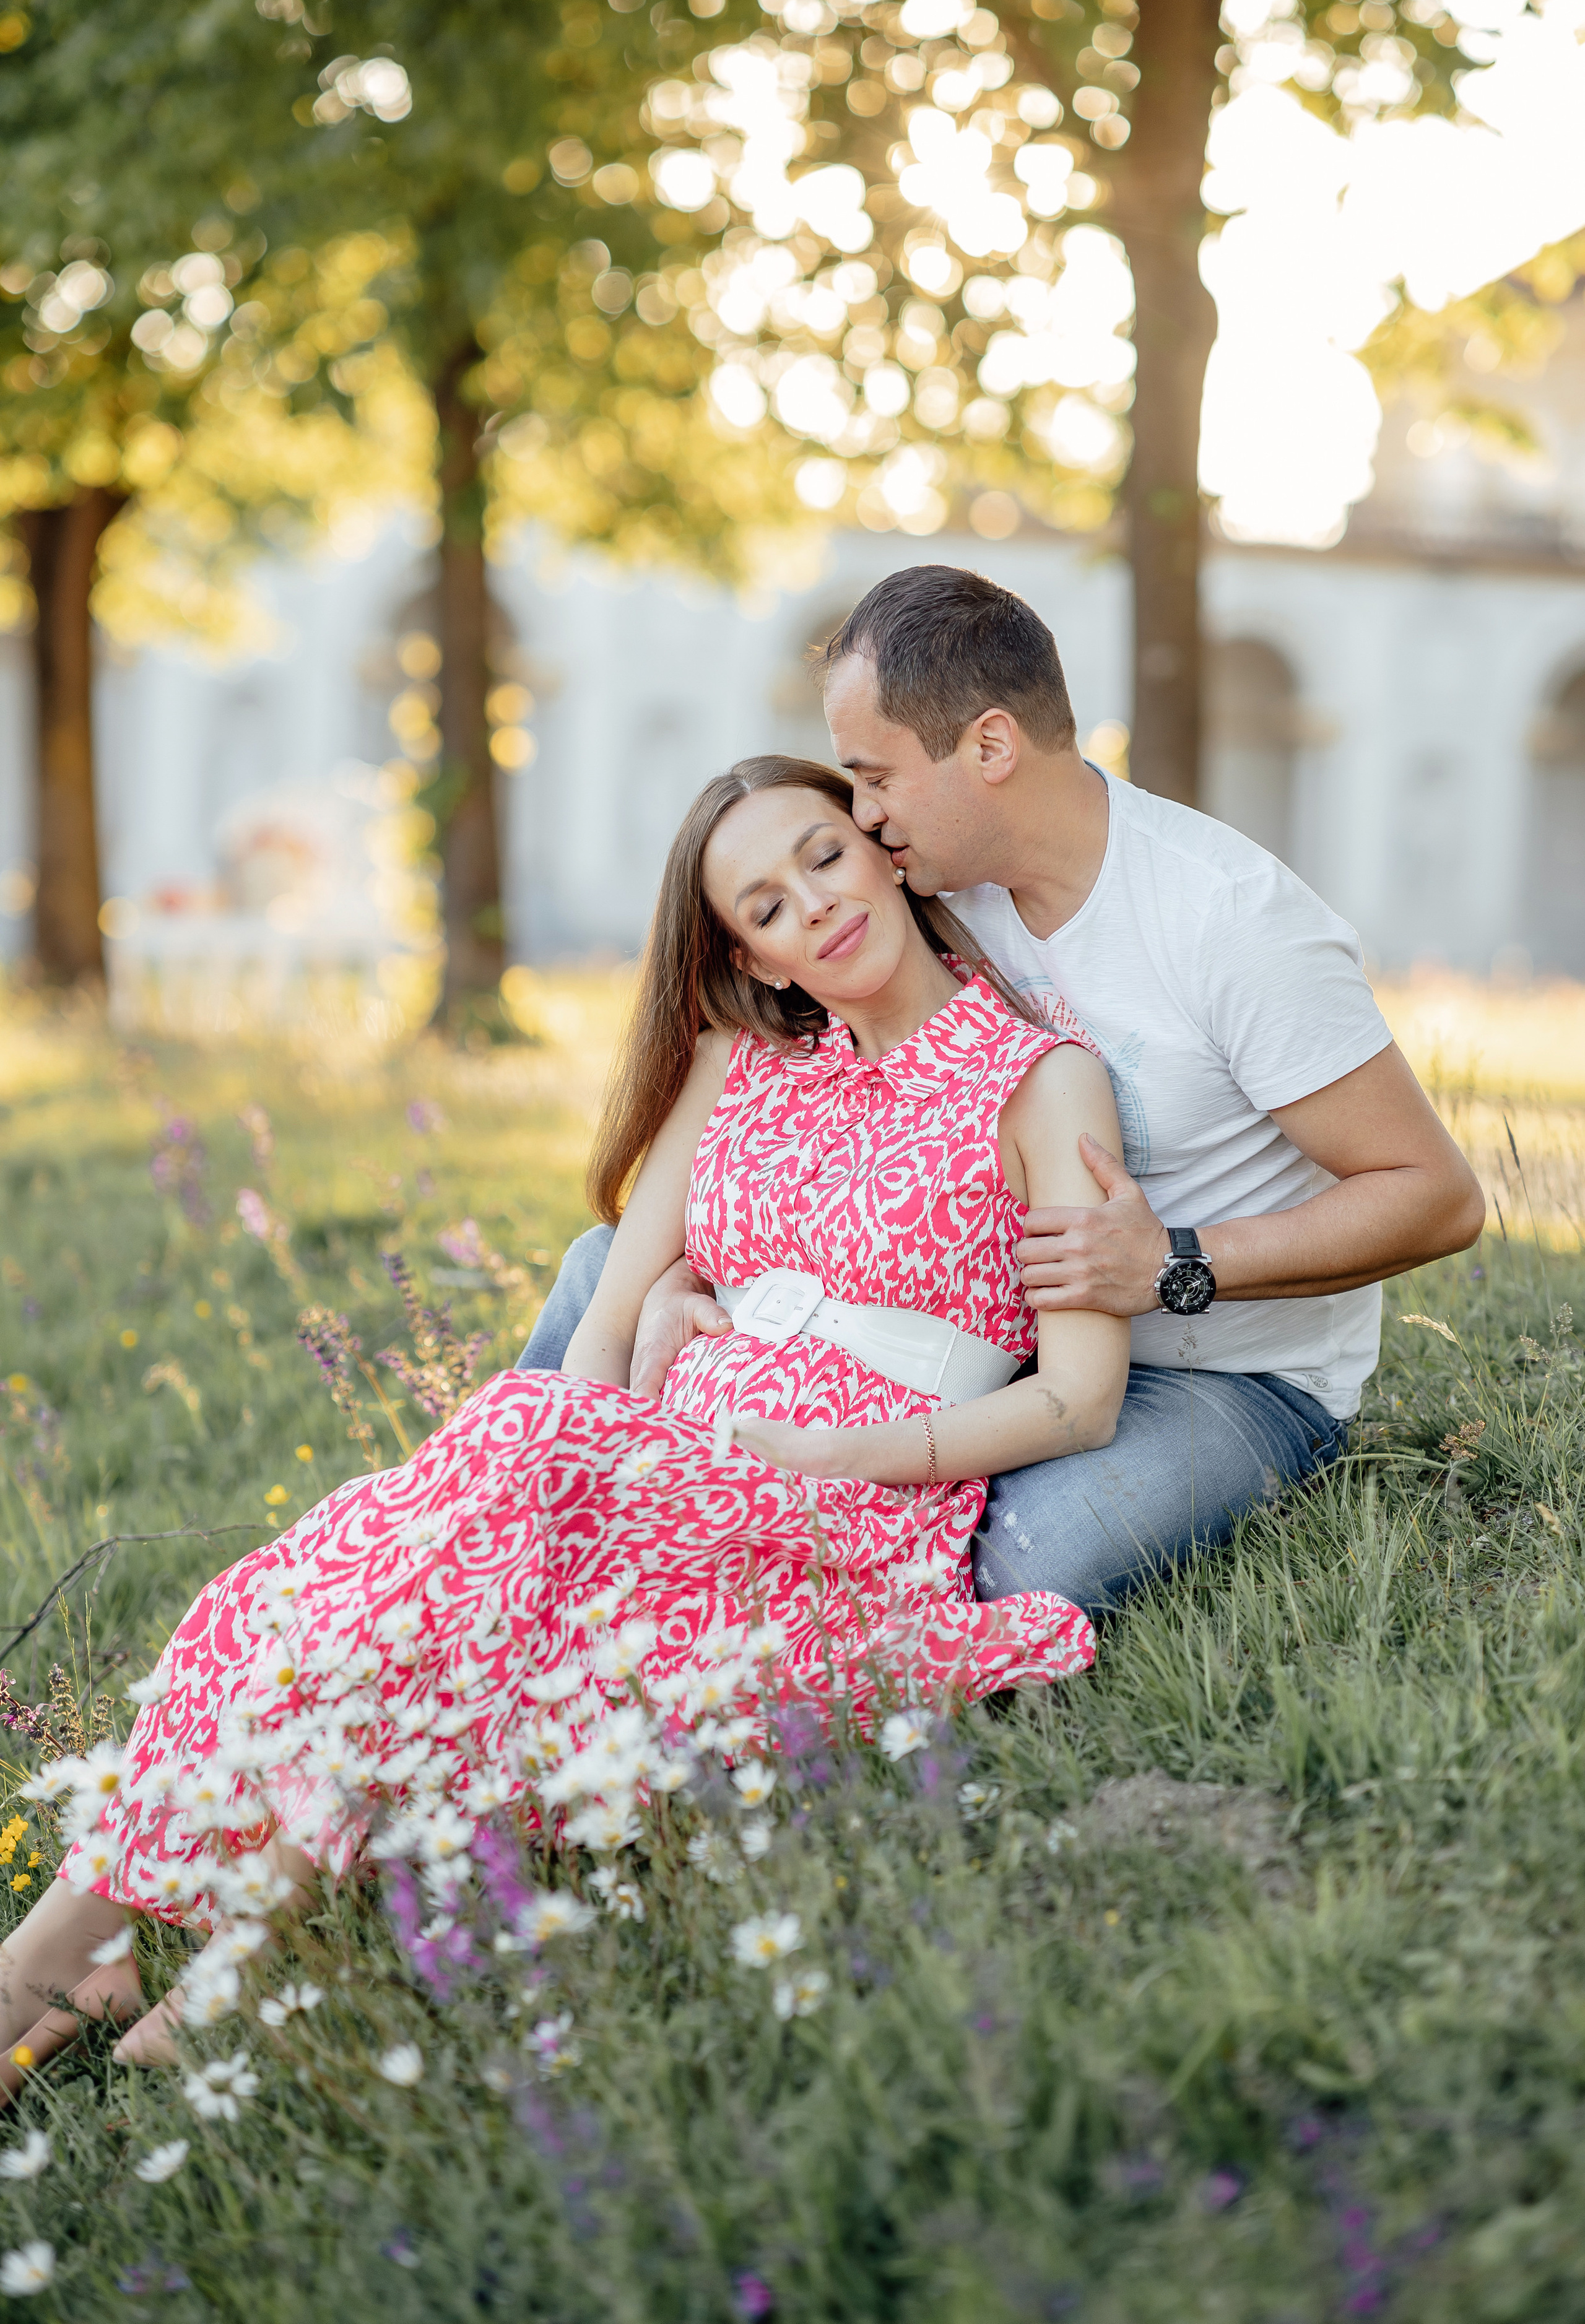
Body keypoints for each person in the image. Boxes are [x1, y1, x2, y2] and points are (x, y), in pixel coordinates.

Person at [0, 756, 1127, 2087]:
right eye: (763, 906)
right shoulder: (738, 1064)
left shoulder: (1037, 1085)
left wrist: (835, 1452)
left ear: (882, 852)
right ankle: (170, 1931)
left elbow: (1077, 1397)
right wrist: (613, 1405)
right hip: (646, 1476)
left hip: (839, 1515)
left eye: (822, 857)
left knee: (447, 1516)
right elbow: (606, 1324)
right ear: (748, 956)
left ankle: (91, 1936)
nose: (812, 908)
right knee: (389, 1559)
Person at [525, 565, 1485, 1616]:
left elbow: (1438, 1195)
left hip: (1223, 1368)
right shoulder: (935, 884)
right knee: (602, 1269)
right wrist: (705, 1290)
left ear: (989, 748)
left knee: (1025, 1565)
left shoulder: (1229, 924)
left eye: (876, 778)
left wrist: (1171, 1266)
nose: (868, 816)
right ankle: (504, 1523)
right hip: (1004, 1327)